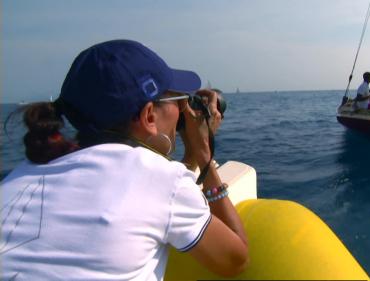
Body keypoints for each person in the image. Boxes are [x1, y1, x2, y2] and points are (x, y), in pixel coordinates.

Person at [1, 40, 248, 280]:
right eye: (180, 102)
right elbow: (234, 261)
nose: (184, 111)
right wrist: (203, 154)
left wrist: (189, 158)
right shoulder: (164, 180)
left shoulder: (23, 173)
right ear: (149, 115)